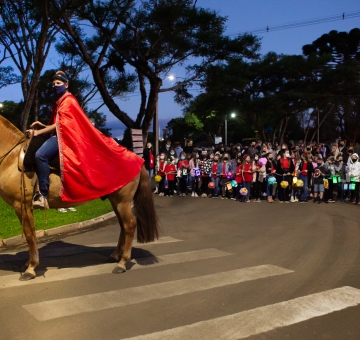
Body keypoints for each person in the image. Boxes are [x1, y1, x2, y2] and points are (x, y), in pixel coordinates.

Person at [27, 70, 143, 209]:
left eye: (58, 83)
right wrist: (42, 125)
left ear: (66, 84)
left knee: (40, 155)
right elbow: (57, 124)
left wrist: (37, 132)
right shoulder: (60, 102)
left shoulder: (68, 101)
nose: (55, 86)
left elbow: (60, 126)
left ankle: (42, 195)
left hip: (64, 138)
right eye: (53, 84)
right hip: (60, 134)